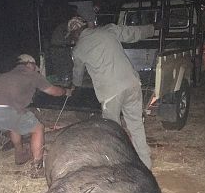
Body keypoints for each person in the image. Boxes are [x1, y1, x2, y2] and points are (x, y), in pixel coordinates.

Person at [67, 17, 158, 170]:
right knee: (136, 125)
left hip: (111, 92)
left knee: (112, 131)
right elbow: (133, 32)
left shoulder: (78, 49)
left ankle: (117, 166)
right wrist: (153, 28)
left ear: (75, 34)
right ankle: (146, 164)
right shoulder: (108, 30)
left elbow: (77, 74)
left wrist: (74, 86)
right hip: (132, 84)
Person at [0, 54, 72, 178]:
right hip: (2, 110)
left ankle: (20, 154)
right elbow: (53, 91)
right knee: (38, 128)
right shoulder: (31, 74)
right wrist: (66, 91)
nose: (36, 70)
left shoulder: (5, 75)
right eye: (35, 67)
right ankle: (37, 167)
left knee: (14, 124)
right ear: (29, 64)